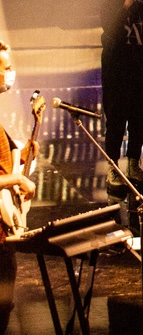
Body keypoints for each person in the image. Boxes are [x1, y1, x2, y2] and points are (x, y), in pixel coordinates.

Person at [100, 0, 143, 188]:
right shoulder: (109, 7)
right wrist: (124, 7)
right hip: (116, 74)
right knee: (116, 122)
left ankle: (133, 164)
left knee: (138, 120)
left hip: (138, 74)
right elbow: (111, 37)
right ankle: (112, 169)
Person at [0, 41, 36, 334]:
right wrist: (17, 179)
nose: (11, 74)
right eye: (7, 68)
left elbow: (7, 165)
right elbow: (8, 177)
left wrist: (25, 156)